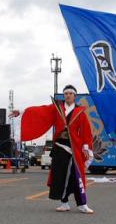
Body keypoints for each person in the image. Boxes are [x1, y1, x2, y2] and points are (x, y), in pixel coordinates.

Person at [10, 85, 94, 214]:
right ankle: (64, 203)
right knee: (60, 176)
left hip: (74, 148)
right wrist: (21, 112)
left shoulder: (80, 112)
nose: (68, 95)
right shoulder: (57, 108)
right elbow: (40, 112)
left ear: (75, 96)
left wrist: (86, 147)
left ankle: (82, 204)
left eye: (71, 93)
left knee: (76, 176)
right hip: (60, 147)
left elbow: (86, 131)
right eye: (66, 93)